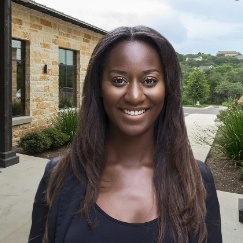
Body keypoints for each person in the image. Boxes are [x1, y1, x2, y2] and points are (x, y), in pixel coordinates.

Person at [28, 26, 222, 243]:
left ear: (168, 89)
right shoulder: (59, 176)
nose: (135, 96)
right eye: (119, 80)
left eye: (149, 80)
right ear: (99, 88)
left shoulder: (197, 180)